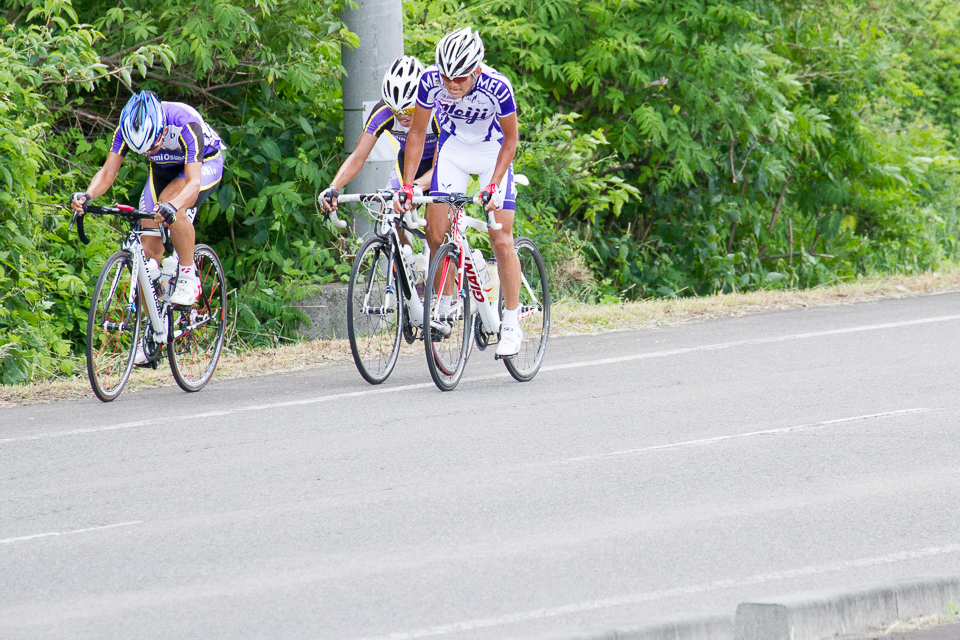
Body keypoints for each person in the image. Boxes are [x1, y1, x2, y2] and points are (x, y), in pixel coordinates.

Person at [396, 26, 522, 357]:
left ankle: (511, 322)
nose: (452, 84)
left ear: (477, 70)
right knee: (436, 232)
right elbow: (419, 133)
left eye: (461, 78)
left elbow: (510, 140)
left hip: (491, 151)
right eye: (447, 76)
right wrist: (408, 185)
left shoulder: (498, 87)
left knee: (501, 237)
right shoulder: (429, 81)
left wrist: (493, 182)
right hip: (453, 151)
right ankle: (448, 302)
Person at [70, 90, 225, 307]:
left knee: (170, 202)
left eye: (153, 146)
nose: (150, 153)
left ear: (162, 130)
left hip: (203, 165)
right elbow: (107, 174)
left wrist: (174, 206)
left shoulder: (185, 123)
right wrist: (87, 196)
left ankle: (189, 276)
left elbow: (193, 184)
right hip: (162, 172)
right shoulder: (127, 128)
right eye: (143, 151)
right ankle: (150, 332)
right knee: (148, 252)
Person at [319, 56, 439, 216]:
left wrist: (416, 187)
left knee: (433, 227)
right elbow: (358, 155)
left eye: (409, 110)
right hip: (408, 161)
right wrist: (334, 187)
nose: (402, 116)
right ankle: (397, 241)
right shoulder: (383, 111)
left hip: (438, 163)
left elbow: (440, 166)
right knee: (389, 212)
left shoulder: (436, 110)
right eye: (395, 111)